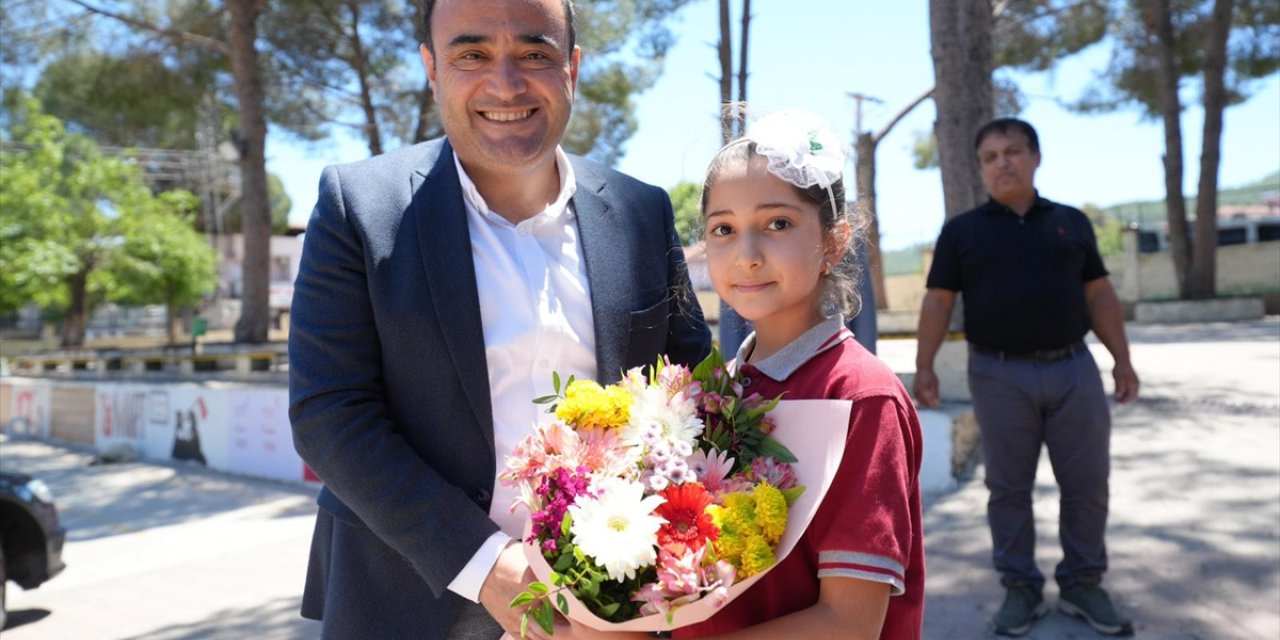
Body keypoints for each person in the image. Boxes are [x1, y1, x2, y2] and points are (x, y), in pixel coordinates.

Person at [287, 0, 711, 638]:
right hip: (406, 605)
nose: (506, 84)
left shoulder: (641, 212)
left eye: (534, 54)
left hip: (609, 615)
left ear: (572, 67)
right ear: (432, 69)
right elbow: (329, 414)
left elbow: (692, 391)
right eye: (472, 54)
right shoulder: (358, 206)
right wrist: (484, 564)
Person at [569, 110, 925, 640]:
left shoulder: (860, 396)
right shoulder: (707, 396)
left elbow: (849, 623)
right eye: (724, 229)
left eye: (778, 224)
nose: (747, 255)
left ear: (833, 242)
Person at [912, 117, 1139, 637]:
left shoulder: (1071, 223)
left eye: (1013, 151)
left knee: (1086, 484)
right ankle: (1021, 588)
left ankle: (1083, 582)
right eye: (990, 157)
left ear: (1035, 157)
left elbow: (1099, 295)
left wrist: (1121, 360)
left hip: (1073, 369)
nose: (1002, 163)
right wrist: (924, 368)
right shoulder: (962, 232)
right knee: (1007, 487)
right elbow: (938, 301)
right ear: (981, 168)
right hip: (997, 373)